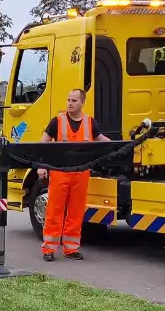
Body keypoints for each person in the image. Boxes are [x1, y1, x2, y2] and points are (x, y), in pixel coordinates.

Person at [38, 88, 112, 261]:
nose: (70, 103)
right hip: (59, 173)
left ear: (82, 103)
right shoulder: (57, 121)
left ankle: (71, 248)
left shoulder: (90, 122)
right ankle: (49, 249)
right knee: (54, 211)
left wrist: (122, 147)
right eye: (68, 100)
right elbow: (43, 145)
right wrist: (41, 166)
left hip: (81, 174)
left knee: (76, 212)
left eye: (74, 101)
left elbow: (103, 141)